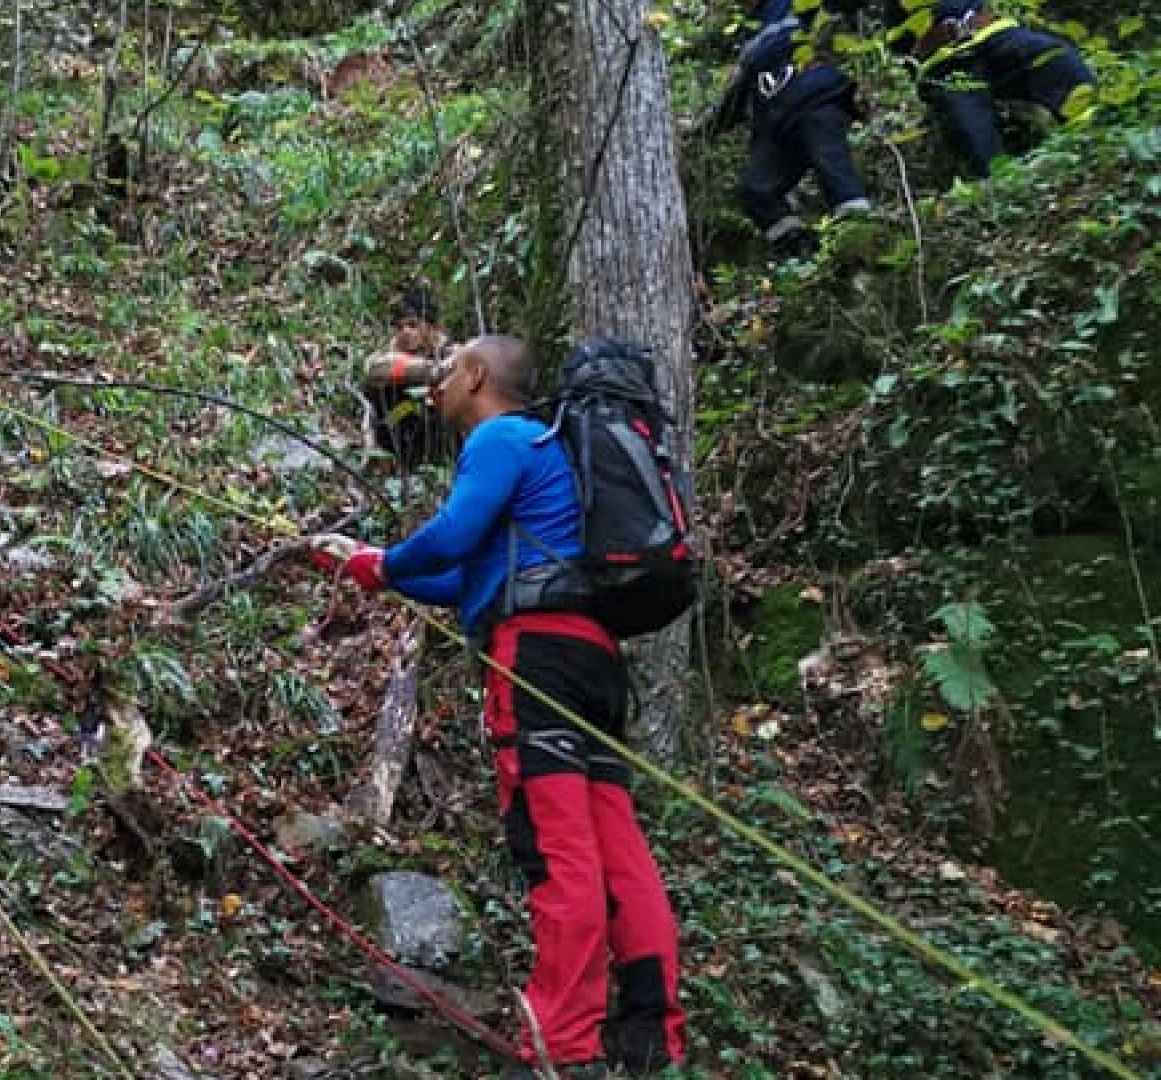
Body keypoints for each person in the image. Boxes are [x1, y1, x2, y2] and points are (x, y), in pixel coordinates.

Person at [312, 336, 686, 1079]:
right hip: (590, 661)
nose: (437, 383)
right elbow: (466, 579)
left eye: (447, 370)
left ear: (478, 376)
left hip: (534, 659)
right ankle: (650, 1035)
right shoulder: (553, 458)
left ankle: (564, 1039)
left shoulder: (502, 437)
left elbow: (450, 537)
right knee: (615, 845)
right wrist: (370, 569)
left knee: (555, 845)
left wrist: (383, 561)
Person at [709, 0, 872, 257]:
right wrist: (699, 130)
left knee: (832, 167)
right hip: (774, 127)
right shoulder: (748, 32)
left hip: (816, 100)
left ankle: (860, 242)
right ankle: (799, 250)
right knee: (755, 190)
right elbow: (734, 99)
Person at [885, 0, 1095, 177]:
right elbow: (899, 43)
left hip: (996, 35)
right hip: (945, 62)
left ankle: (1091, 136)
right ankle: (1001, 185)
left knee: (1059, 61)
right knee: (971, 129)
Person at [361, 282, 451, 468]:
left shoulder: (449, 352)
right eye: (400, 327)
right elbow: (374, 370)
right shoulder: (386, 357)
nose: (406, 332)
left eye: (413, 325)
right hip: (397, 427)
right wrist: (431, 371)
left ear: (432, 328)